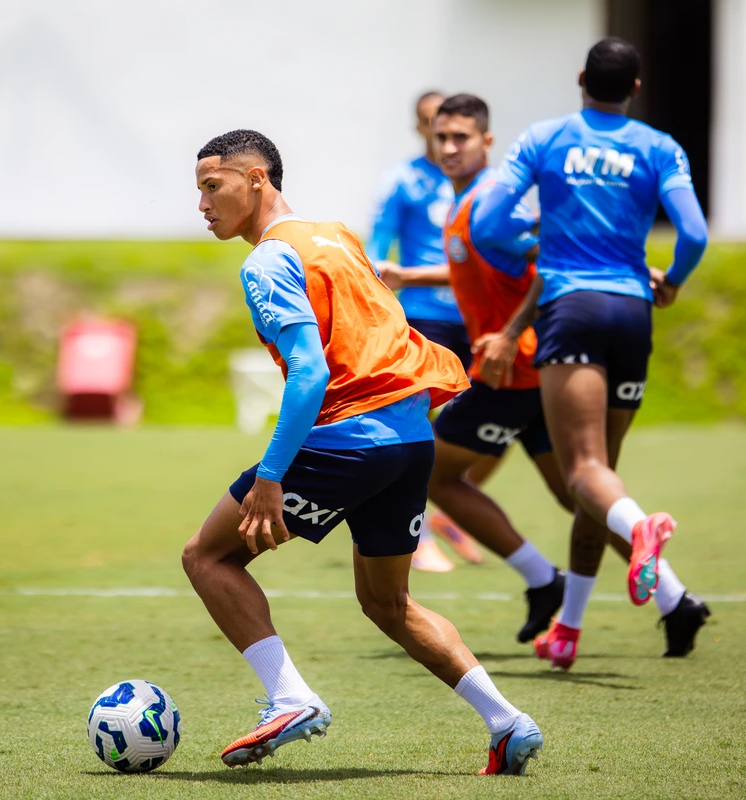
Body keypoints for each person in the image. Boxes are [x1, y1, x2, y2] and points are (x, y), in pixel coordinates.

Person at [184, 129, 543, 775]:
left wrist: (270, 478)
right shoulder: (337, 235)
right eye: (199, 191)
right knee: (388, 603)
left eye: (213, 187)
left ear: (257, 178)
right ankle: (506, 722)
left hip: (348, 438)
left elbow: (310, 373)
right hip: (410, 438)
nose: (203, 204)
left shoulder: (266, 261)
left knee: (208, 557)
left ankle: (289, 697)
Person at [426, 93, 709, 659]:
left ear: (488, 142)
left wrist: (508, 332)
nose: (451, 147)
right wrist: (408, 276)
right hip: (534, 367)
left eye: (463, 137)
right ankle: (677, 602)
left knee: (435, 474)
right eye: (442, 137)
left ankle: (540, 579)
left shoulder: (490, 202)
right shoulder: (466, 205)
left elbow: (546, 266)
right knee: (580, 493)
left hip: (521, 366)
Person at [369, 90, 489, 572]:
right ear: (421, 128)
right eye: (429, 125)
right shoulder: (404, 179)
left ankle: (449, 509)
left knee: (484, 429)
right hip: (424, 313)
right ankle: (413, 533)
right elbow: (379, 246)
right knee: (417, 426)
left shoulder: (483, 184)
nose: (440, 138)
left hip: (480, 318)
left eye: (451, 129)